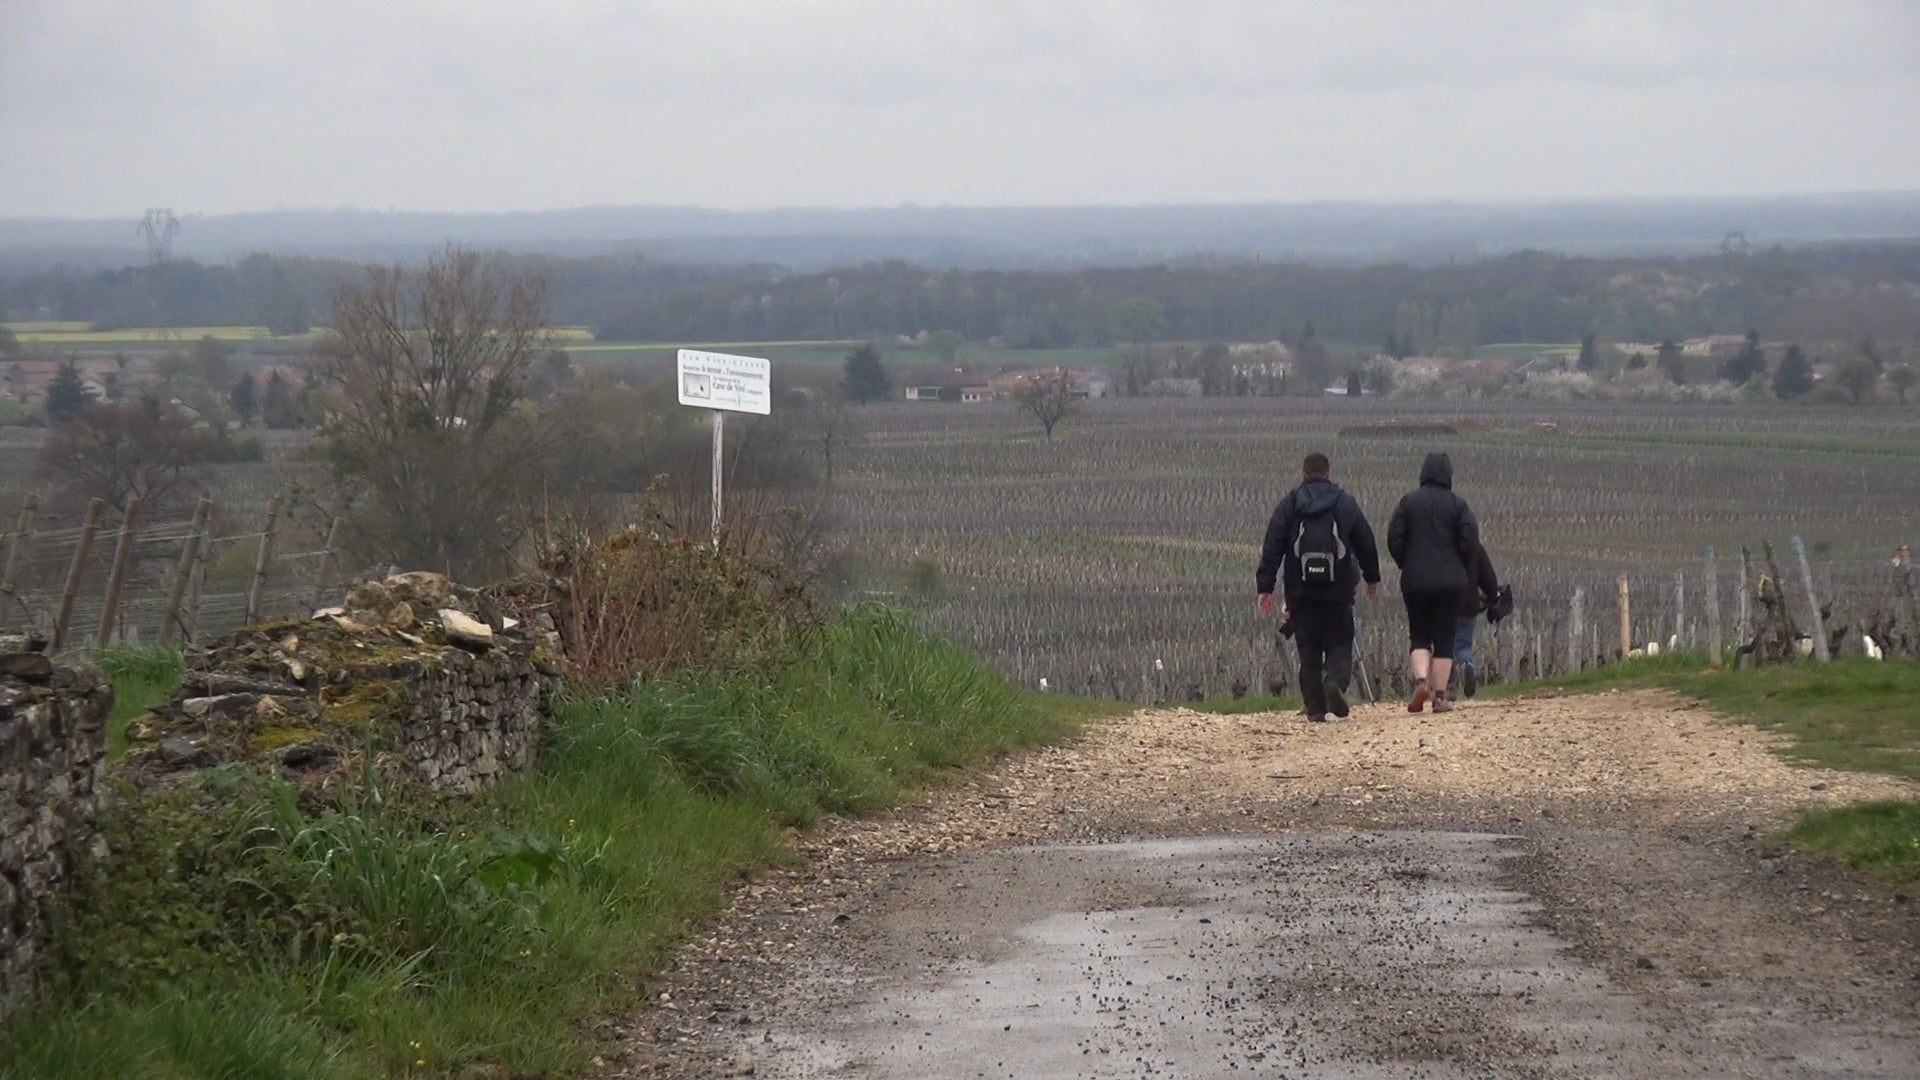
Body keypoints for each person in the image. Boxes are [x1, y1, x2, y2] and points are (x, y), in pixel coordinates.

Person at [1257, 452, 1381, 722]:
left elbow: (1273, 545)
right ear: (1328, 472)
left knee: (1309, 650)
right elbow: (1365, 540)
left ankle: (1315, 709)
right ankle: (1334, 681)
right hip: (1338, 591)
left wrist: (1265, 586)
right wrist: (1372, 577)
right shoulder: (1344, 502)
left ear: (1303, 473)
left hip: (1301, 592)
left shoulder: (1290, 504)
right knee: (1340, 643)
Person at [1387, 452, 1479, 713]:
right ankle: (1440, 696)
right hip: (1451, 581)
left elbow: (1394, 538)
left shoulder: (1408, 502)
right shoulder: (1458, 505)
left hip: (1415, 579)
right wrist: (1460, 565)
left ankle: (1420, 682)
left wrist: (1406, 562)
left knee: (1419, 635)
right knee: (1445, 639)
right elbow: (1470, 541)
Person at [1451, 539, 1501, 699]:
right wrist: (1493, 596)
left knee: (1443, 645)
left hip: (1444, 602)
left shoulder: (1440, 544)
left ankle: (1448, 686)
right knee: (1464, 643)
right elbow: (1487, 575)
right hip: (1469, 603)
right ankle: (1467, 664)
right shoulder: (1474, 545)